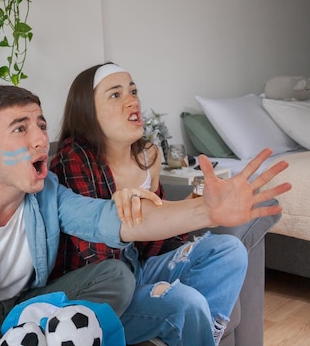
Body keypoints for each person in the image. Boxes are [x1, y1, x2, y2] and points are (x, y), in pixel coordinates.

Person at [0, 84, 290, 346]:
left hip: (35, 307)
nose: (39, 139)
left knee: (131, 282)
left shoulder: (46, 190)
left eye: (40, 124)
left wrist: (206, 210)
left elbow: (114, 222)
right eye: (20, 129)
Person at [48, 62, 262, 346]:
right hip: (103, 285)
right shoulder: (73, 158)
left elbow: (156, 243)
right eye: (116, 94)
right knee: (185, 300)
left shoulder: (148, 154)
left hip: (139, 267)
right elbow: (95, 256)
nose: (132, 100)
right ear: (88, 111)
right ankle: (178, 325)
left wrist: (195, 204)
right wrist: (127, 207)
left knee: (230, 250)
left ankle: (201, 332)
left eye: (133, 90)